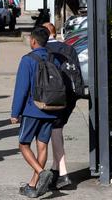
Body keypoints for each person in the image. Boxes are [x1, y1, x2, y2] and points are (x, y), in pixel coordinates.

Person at [10, 27, 58, 197]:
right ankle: (32, 185)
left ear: (33, 41)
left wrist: (15, 113)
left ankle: (41, 172)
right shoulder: (54, 59)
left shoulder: (27, 60)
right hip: (51, 109)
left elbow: (21, 89)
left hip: (32, 109)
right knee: (42, 146)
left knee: (23, 144)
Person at [43, 22, 77, 190]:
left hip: (53, 96)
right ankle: (56, 169)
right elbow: (76, 74)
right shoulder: (69, 48)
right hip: (70, 95)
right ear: (55, 34)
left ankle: (63, 173)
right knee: (58, 130)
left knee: (54, 131)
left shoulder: (44, 51)